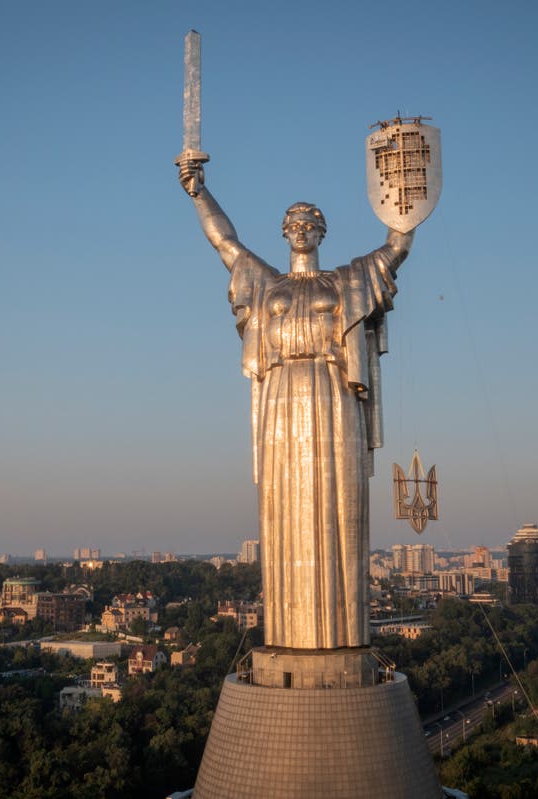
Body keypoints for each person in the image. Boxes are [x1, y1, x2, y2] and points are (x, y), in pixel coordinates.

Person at [179, 158, 415, 649]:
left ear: (323, 233)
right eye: (294, 223)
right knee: (284, 501)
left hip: (332, 391)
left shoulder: (344, 282)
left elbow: (396, 246)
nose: (301, 229)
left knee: (340, 499)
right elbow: (226, 243)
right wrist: (200, 194)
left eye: (310, 223)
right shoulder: (269, 286)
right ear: (284, 233)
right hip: (282, 394)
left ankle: (343, 636)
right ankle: (289, 635)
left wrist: (405, 192)